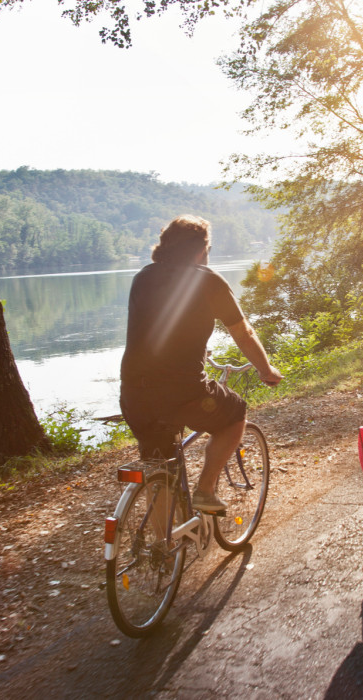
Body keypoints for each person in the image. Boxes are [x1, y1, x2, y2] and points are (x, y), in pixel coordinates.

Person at [120, 215, 282, 514]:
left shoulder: (143, 277)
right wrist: (265, 370)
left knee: (159, 468)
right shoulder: (207, 280)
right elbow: (244, 334)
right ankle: (206, 490)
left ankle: (163, 542)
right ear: (200, 249)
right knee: (235, 414)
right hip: (182, 391)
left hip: (134, 393)